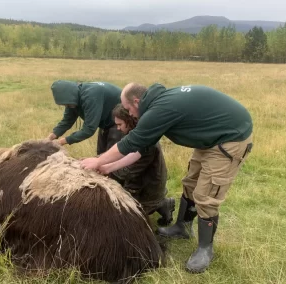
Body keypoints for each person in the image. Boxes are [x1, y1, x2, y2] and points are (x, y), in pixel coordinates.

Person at [80, 82, 253, 273]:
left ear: (136, 101)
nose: (129, 114)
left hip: (230, 138)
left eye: (128, 108)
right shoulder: (157, 104)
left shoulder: (159, 110)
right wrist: (108, 166)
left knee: (206, 196)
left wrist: (98, 162)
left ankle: (205, 249)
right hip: (210, 137)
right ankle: (182, 227)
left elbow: (132, 142)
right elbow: (139, 149)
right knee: (190, 183)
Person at [100, 104, 175, 226]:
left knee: (122, 222)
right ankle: (162, 204)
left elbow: (127, 171)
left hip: (147, 189)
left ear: (129, 121)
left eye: (120, 125)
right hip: (141, 184)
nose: (117, 128)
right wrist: (98, 160)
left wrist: (105, 168)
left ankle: (159, 204)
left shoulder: (144, 142)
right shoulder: (135, 134)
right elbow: (119, 154)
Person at [47, 80, 123, 155]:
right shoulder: (74, 97)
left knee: (112, 156)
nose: (67, 106)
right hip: (106, 123)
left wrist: (60, 142)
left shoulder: (90, 96)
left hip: (122, 121)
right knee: (101, 154)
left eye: (68, 104)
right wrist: (49, 139)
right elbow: (67, 121)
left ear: (70, 96)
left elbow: (89, 129)